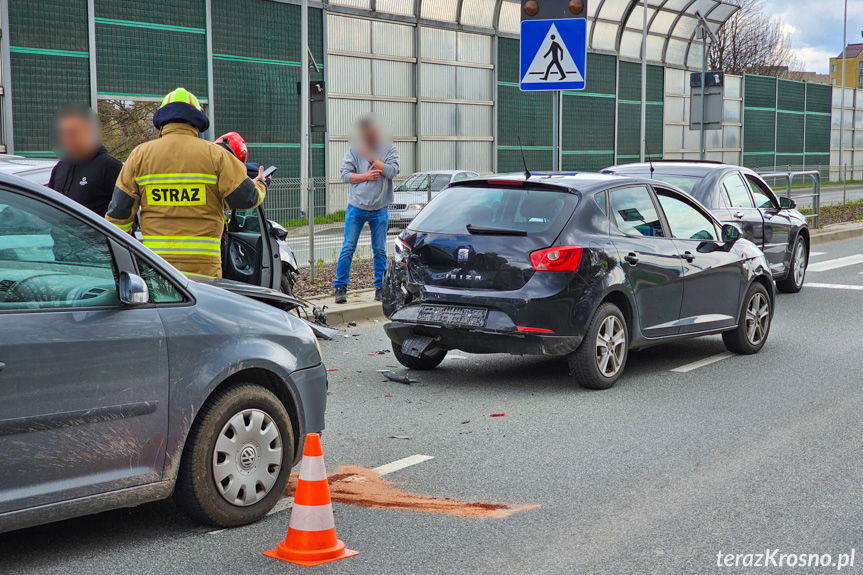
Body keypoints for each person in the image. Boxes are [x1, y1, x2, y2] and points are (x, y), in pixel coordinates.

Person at [105, 88, 268, 277]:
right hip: (204, 269)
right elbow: (246, 198)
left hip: (156, 267)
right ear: (196, 120)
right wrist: (261, 184)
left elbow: (118, 216)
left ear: (162, 120)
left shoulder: (139, 155)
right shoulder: (216, 155)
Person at [335, 115, 399, 304]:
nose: (369, 136)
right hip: (357, 207)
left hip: (380, 208)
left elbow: (393, 171)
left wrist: (373, 158)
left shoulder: (389, 149)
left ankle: (380, 288)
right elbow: (345, 176)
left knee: (379, 249)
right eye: (365, 134)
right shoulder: (354, 150)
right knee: (348, 248)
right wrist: (366, 176)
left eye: (372, 132)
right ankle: (340, 288)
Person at [48, 105, 122, 216]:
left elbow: (125, 216)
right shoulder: (60, 168)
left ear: (89, 132)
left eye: (73, 132)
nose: (67, 139)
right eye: (63, 133)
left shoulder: (110, 167)